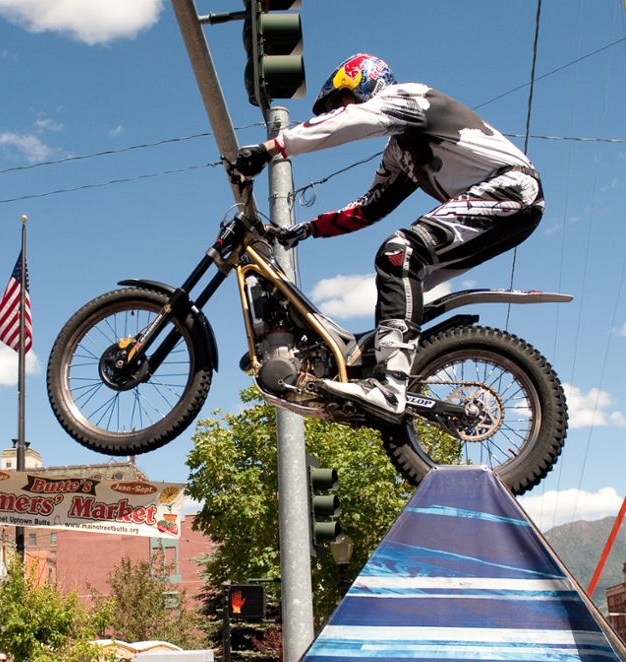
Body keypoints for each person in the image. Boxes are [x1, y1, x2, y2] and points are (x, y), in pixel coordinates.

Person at [232, 53, 544, 421]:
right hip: (506, 212)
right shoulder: (399, 151)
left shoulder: (410, 97)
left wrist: (272, 148)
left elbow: (352, 120)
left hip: (509, 190)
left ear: (366, 82)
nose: (339, 110)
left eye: (342, 100)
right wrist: (308, 228)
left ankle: (391, 387)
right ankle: (386, 374)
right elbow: (369, 207)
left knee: (400, 252)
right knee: (398, 281)